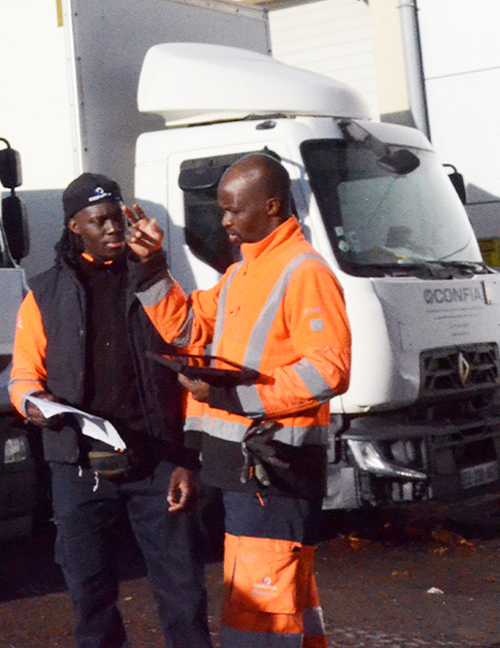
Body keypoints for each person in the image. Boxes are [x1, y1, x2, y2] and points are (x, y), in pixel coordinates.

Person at [124, 153, 352, 648]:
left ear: (271, 206)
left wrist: (230, 392)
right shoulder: (239, 275)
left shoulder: (304, 272)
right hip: (249, 473)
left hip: (276, 471)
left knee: (260, 617)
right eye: (221, 210)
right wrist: (151, 266)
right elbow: (185, 328)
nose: (223, 221)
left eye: (233, 210)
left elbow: (329, 371)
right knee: (280, 608)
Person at [11, 173, 212, 648]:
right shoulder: (43, 293)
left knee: (183, 592)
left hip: (158, 459)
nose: (113, 229)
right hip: (78, 466)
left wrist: (188, 457)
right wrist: (32, 406)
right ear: (74, 225)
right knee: (90, 594)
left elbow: (192, 364)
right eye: (99, 221)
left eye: (118, 218)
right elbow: (22, 377)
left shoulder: (153, 283)